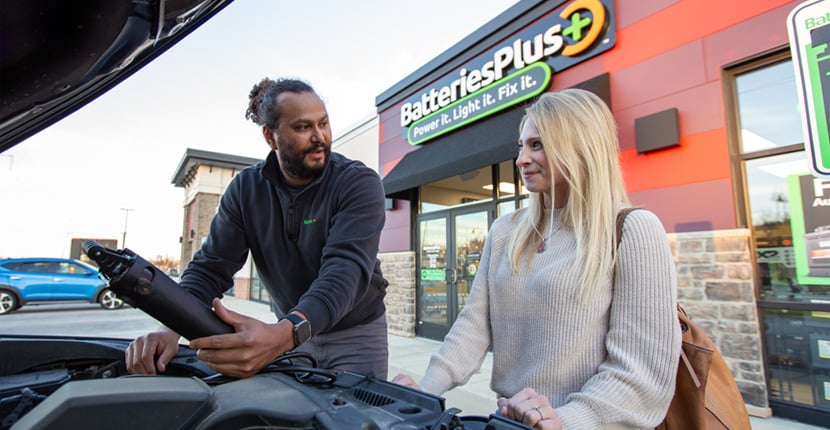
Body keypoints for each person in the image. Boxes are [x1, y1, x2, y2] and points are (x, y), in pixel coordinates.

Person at [392, 89, 681, 429]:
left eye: (538, 144)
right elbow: (473, 326)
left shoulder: (631, 230)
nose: (521, 159)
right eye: (521, 146)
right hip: (508, 422)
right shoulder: (505, 231)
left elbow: (641, 375)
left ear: (581, 147)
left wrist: (562, 421)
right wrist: (425, 391)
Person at [126, 77, 389, 379]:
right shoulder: (245, 190)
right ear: (271, 136)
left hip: (355, 333)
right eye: (304, 127)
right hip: (286, 332)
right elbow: (211, 268)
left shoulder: (357, 182)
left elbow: (345, 269)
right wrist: (170, 326)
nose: (320, 137)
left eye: (324, 123)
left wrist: (284, 334)